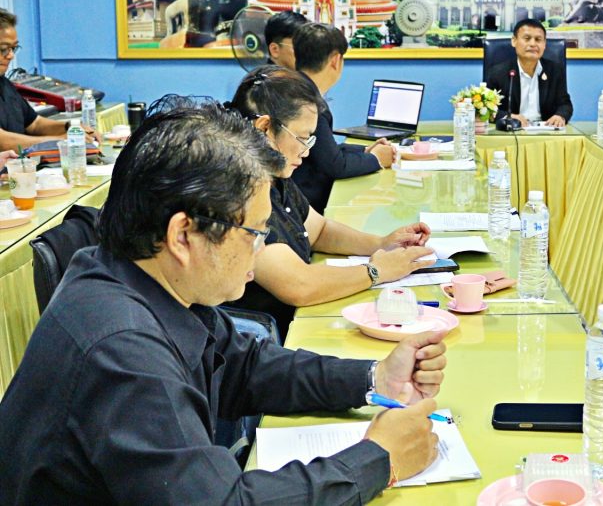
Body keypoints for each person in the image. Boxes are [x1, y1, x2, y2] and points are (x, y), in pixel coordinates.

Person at [0, 98, 446, 504]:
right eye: (254, 233)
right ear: (183, 235)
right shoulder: (124, 351)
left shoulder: (146, 278)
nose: (262, 248)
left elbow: (244, 367)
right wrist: (378, 460)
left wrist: (374, 377)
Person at [226, 66, 433, 336]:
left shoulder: (274, 175)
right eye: (302, 138)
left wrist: (380, 243)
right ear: (265, 127)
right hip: (265, 337)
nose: (307, 151)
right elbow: (298, 285)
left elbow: (319, 230)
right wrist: (376, 271)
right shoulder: (238, 191)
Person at [288, 23, 395, 213]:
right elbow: (335, 166)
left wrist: (364, 150)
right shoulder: (309, 103)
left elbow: (323, 150)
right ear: (336, 60)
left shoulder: (292, 88)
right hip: (306, 205)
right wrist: (376, 158)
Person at [0, 8, 97, 150]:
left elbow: (35, 124)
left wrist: (70, 127)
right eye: (3, 49)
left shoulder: (5, 85)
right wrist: (61, 140)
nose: (11, 55)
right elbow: (3, 142)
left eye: (13, 48)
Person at [485, 18, 573, 128]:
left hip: (545, 131)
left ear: (544, 44)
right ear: (514, 41)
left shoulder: (555, 71)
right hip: (512, 130)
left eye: (538, 39)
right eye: (527, 38)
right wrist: (508, 117)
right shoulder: (497, 73)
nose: (533, 44)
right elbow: (487, 108)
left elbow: (565, 104)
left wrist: (560, 116)